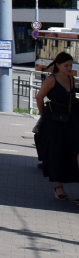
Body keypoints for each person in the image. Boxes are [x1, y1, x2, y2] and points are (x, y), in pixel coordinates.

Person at [35, 51, 79, 200]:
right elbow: (39, 97)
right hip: (53, 120)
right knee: (55, 151)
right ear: (58, 65)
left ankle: (69, 179)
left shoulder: (71, 79)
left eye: (70, 65)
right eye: (66, 65)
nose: (69, 68)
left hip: (69, 120)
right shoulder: (52, 79)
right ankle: (59, 187)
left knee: (71, 150)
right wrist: (43, 114)